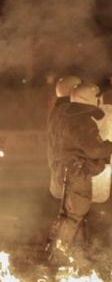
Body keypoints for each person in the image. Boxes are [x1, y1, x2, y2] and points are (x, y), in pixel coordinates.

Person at [46, 82, 112, 261]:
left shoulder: (66, 115)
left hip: (66, 169)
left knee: (70, 214)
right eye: (96, 98)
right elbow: (95, 150)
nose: (99, 101)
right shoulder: (81, 120)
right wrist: (109, 146)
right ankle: (58, 254)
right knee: (75, 215)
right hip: (77, 172)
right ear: (89, 98)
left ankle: (73, 253)